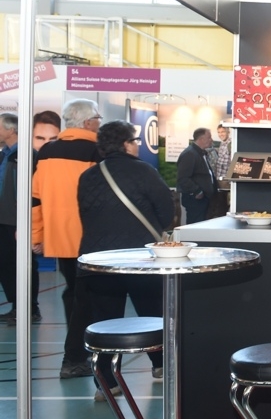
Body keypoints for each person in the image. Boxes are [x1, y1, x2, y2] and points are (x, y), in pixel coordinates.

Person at [76, 121, 170, 397]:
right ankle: (161, 365)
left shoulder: (88, 176)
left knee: (105, 322)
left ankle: (106, 383)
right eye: (135, 141)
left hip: (99, 260)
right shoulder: (144, 171)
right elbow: (166, 212)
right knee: (153, 315)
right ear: (126, 144)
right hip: (141, 258)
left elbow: (86, 215)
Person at [32, 100, 102, 378]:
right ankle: (76, 357)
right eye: (97, 118)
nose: (99, 122)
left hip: (60, 239)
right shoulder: (96, 151)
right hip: (90, 239)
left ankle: (77, 355)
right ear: (87, 122)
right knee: (89, 299)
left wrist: (37, 235)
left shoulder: (47, 152)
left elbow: (35, 199)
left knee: (73, 293)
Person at [2, 111, 61, 327]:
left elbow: (36, 193)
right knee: (6, 264)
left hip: (19, 220)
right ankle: (17, 306)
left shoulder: (28, 156)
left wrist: (30, 223)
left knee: (24, 264)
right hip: (4, 220)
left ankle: (29, 308)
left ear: (11, 129)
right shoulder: (6, 154)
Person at [176, 127, 216, 224]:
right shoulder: (189, 154)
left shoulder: (200, 153)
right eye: (209, 137)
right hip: (195, 200)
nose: (211, 140)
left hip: (203, 199)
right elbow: (183, 178)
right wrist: (197, 191)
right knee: (195, 225)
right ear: (201, 139)